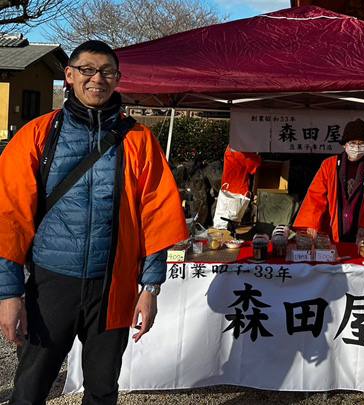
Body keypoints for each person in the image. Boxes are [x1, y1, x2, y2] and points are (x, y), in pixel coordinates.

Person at [0, 40, 188, 404]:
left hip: (113, 284)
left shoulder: (140, 140)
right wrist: (9, 293)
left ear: (118, 79)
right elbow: (10, 219)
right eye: (87, 69)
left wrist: (150, 290)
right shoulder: (37, 135)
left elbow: (157, 218)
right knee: (29, 387)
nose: (96, 78)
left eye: (106, 71)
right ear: (69, 76)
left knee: (102, 390)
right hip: (50, 282)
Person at [293, 118, 364, 242]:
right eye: (353, 143)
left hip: (363, 234)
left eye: (361, 143)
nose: (357, 147)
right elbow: (315, 196)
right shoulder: (329, 165)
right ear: (345, 145)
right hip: (332, 230)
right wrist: (311, 224)